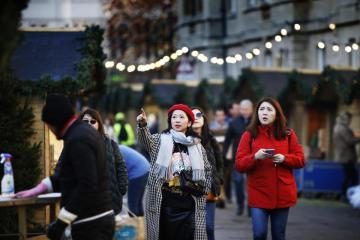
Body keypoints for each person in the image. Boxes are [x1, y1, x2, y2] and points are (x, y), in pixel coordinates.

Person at [16, 94, 114, 240]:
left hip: (92, 224)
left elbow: (87, 185)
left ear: (56, 122)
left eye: (49, 125)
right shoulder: (80, 133)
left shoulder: (78, 140)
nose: (49, 130)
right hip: (94, 221)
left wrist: (61, 223)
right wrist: (38, 189)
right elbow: (67, 176)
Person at [136, 104, 212, 240]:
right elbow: (145, 141)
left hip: (188, 203)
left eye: (181, 117)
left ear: (189, 122)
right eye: (174, 117)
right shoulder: (160, 140)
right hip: (165, 203)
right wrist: (143, 125)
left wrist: (203, 191)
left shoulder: (196, 145)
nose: (177, 120)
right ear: (170, 121)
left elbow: (207, 171)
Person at [235, 97, 305, 240]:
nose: (264, 113)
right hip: (258, 192)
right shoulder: (249, 135)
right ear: (257, 113)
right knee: (259, 233)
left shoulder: (288, 134)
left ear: (276, 114)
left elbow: (301, 160)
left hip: (283, 193)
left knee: (279, 235)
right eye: (261, 109)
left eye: (269, 109)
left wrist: (285, 158)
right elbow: (239, 164)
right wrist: (255, 157)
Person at [78, 108, 128, 215]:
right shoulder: (74, 144)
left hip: (108, 200)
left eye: (93, 121)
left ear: (98, 124)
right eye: (85, 121)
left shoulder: (111, 144)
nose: (89, 124)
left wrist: (121, 189)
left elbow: (121, 166)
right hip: (84, 201)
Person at [192, 107, 223, 240]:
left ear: (204, 119)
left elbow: (219, 162)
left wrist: (219, 180)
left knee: (209, 227)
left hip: (209, 189)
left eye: (199, 114)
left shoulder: (210, 139)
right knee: (193, 228)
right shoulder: (183, 139)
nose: (196, 117)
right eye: (192, 116)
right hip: (190, 189)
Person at [223, 99, 253, 215]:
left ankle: (251, 207)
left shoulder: (256, 122)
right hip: (238, 157)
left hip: (253, 157)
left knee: (251, 183)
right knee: (238, 180)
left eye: (246, 109)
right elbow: (227, 140)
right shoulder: (234, 122)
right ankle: (240, 205)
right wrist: (224, 154)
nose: (244, 111)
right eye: (242, 109)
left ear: (251, 110)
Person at [333, 112, 360, 201]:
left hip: (342, 156)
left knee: (349, 176)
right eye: (349, 119)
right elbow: (350, 140)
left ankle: (345, 195)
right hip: (347, 157)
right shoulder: (343, 129)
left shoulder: (337, 127)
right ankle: (346, 195)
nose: (350, 121)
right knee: (352, 176)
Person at [119, 144, 150, 216]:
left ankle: (135, 225)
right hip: (146, 169)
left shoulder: (113, 152)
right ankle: (141, 225)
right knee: (138, 204)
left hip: (137, 174)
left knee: (132, 208)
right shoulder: (119, 147)